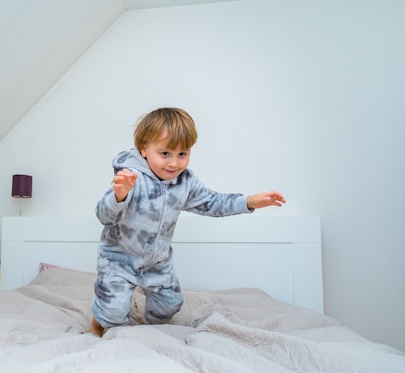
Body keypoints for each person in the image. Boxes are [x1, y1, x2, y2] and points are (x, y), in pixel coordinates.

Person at [89, 107, 286, 336]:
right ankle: (99, 321)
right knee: (112, 312)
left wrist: (250, 201)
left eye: (182, 154)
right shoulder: (130, 178)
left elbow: (212, 202)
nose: (174, 163)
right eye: (165, 154)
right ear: (144, 149)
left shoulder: (185, 182)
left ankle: (147, 329)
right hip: (119, 260)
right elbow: (103, 215)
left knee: (170, 305)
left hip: (157, 263)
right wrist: (119, 196)